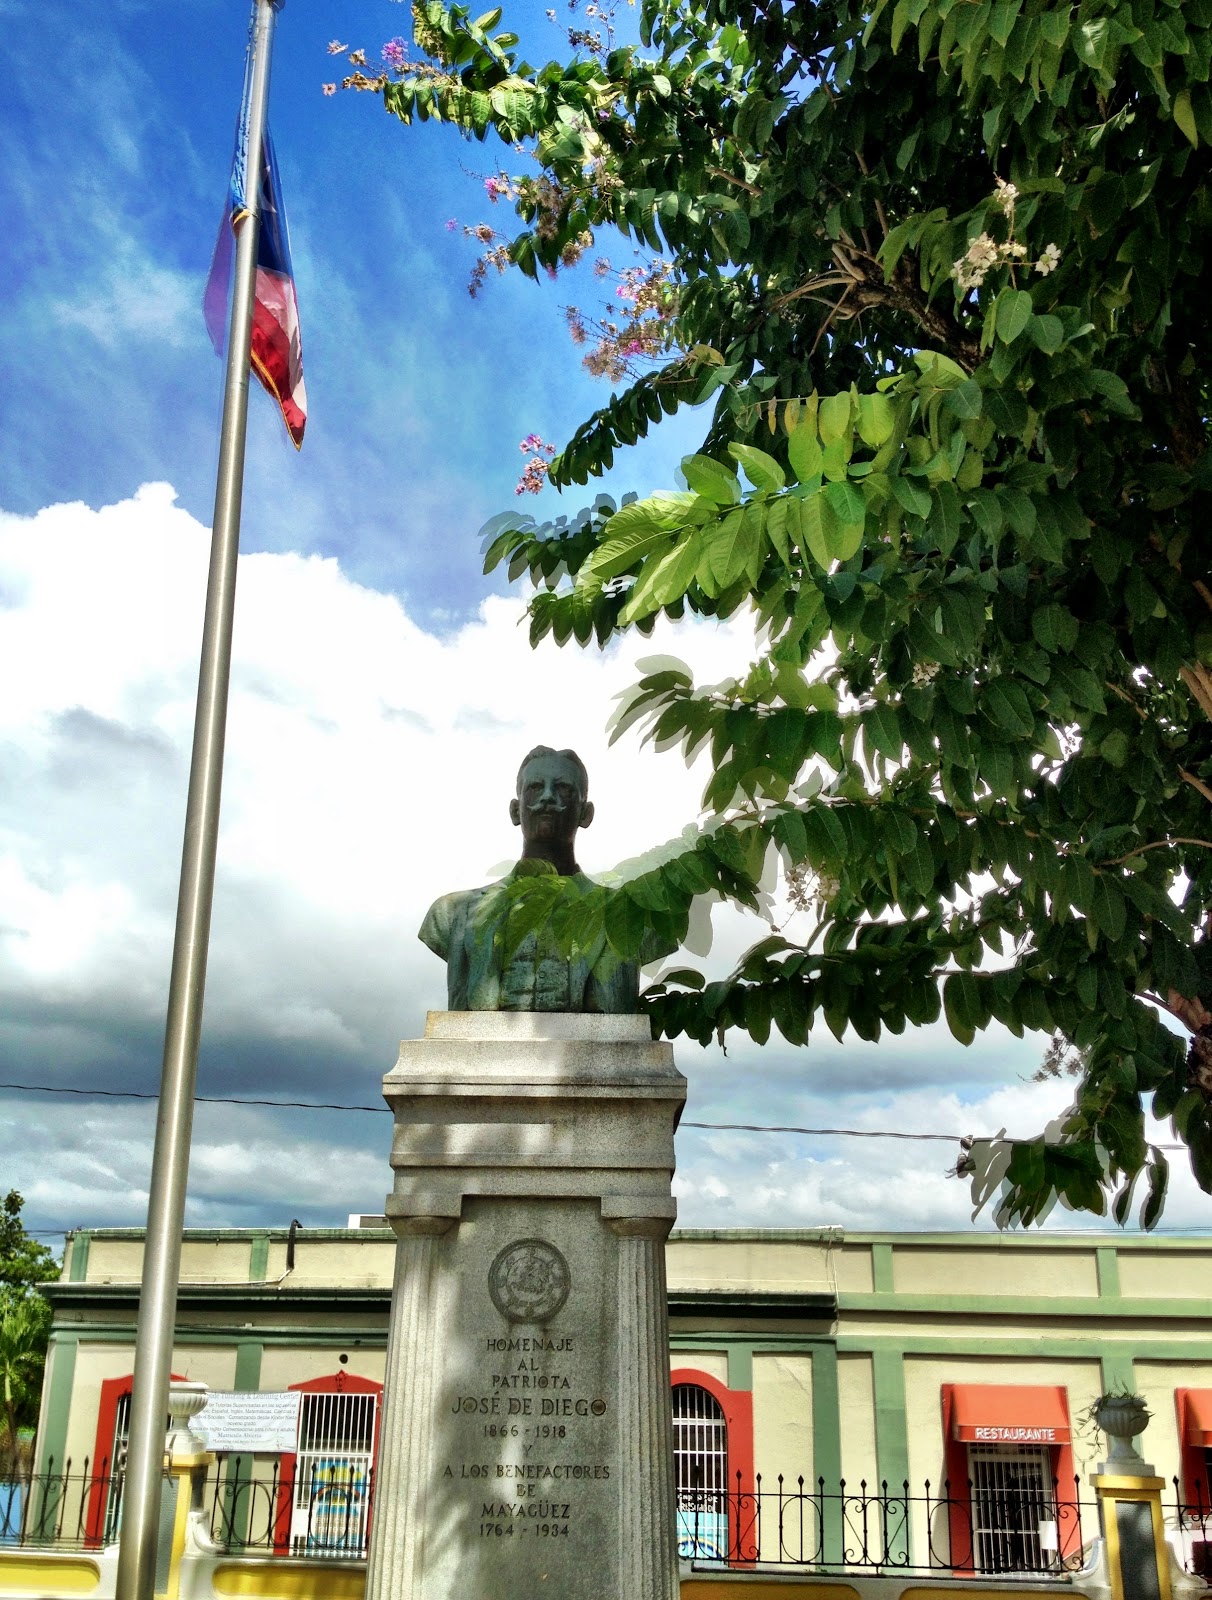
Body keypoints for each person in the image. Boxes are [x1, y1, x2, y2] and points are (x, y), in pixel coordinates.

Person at [418, 746, 641, 1012]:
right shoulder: (452, 913)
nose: (547, 797)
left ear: (586, 813)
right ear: (515, 810)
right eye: (535, 787)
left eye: (563, 789)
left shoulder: (626, 914)